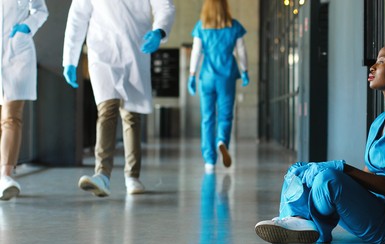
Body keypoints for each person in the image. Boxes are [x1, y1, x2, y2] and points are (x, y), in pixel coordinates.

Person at [255, 25, 385, 244]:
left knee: (329, 178)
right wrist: (328, 170)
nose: (373, 66)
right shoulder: (380, 121)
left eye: (382, 62)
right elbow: (369, 178)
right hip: (372, 211)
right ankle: (298, 220)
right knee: (300, 170)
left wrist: (341, 168)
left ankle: (309, 222)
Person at [62, 0, 175, 197]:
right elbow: (77, 17)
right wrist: (70, 59)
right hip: (102, 50)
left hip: (136, 48)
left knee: (132, 115)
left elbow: (164, 6)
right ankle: (102, 175)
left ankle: (132, 176)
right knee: (107, 109)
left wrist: (159, 31)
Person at [187, 0, 250, 173]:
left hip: (207, 77)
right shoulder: (234, 26)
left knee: (207, 118)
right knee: (225, 116)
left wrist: (192, 75)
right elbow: (241, 51)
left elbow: (196, 51)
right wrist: (245, 71)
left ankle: (209, 160)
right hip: (227, 76)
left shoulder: (201, 26)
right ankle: (222, 140)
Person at [0, 0, 48, 201]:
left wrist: (27, 27)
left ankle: (6, 177)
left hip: (16, 53)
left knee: (12, 117)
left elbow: (41, 11)